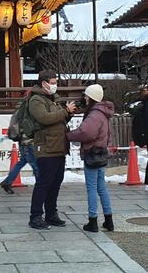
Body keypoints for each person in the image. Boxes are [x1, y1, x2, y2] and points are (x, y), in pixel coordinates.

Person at [27, 70, 77, 230]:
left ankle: (51, 214)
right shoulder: (36, 99)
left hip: (59, 146)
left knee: (56, 182)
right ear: (44, 83)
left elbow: (57, 119)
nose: (55, 85)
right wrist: (64, 111)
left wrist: (68, 113)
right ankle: (35, 216)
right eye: (53, 82)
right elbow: (44, 118)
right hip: (46, 147)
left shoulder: (52, 99)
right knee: (44, 183)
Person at [66, 84, 115, 232]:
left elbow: (85, 132)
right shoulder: (104, 113)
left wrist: (68, 135)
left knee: (92, 188)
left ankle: (92, 221)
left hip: (92, 154)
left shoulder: (94, 114)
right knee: (101, 188)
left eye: (86, 96)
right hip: (101, 153)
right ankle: (109, 220)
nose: (85, 98)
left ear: (92, 97)